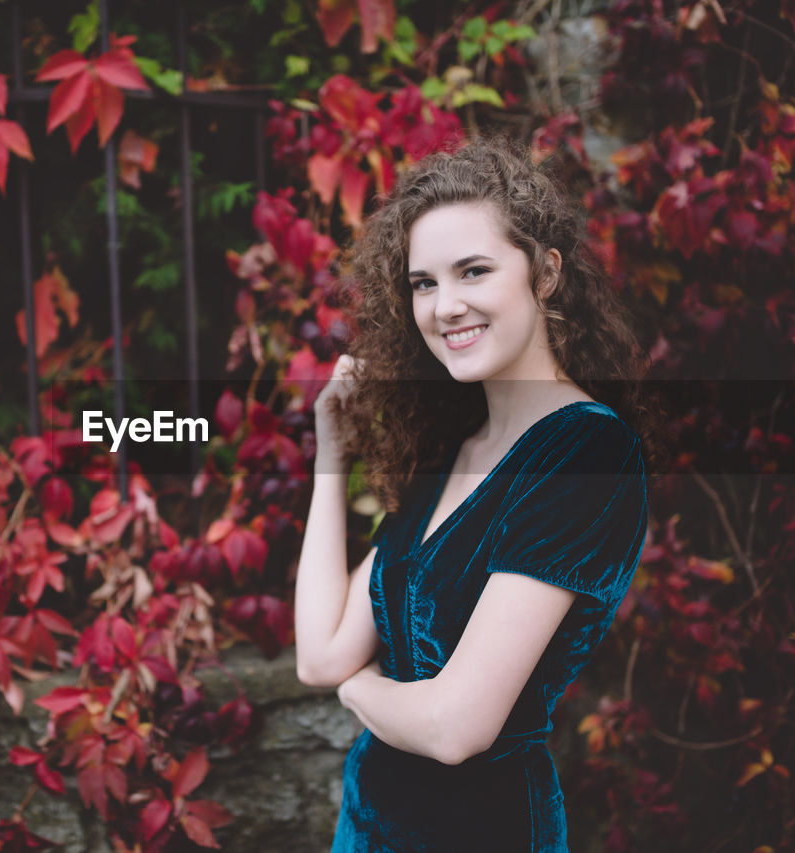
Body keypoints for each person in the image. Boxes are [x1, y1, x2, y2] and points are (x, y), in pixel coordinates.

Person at [294, 136, 661, 852]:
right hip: (367, 825)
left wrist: (360, 693)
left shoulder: (587, 452)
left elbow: (456, 726)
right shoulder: (453, 449)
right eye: (423, 282)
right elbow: (321, 654)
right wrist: (330, 461)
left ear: (545, 273)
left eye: (474, 271)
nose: (445, 305)